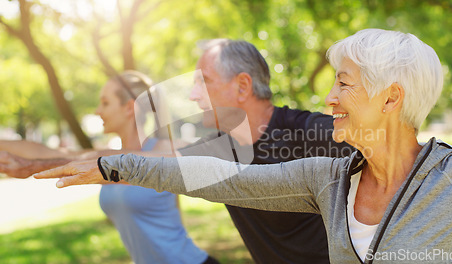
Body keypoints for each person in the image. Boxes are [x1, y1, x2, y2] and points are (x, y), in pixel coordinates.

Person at [36, 29, 452, 263]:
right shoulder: (325, 178)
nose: (329, 97)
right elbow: (226, 183)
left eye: (343, 83)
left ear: (391, 97)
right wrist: (116, 166)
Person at [2, 39, 354, 263]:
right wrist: (33, 165)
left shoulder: (313, 132)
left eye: (204, 82)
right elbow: (146, 162)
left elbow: (401, 160)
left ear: (242, 86)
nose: (192, 96)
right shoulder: (217, 151)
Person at [1, 71, 217, 264]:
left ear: (128, 108)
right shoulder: (107, 155)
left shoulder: (163, 149)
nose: (97, 110)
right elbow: (48, 153)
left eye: (105, 103)